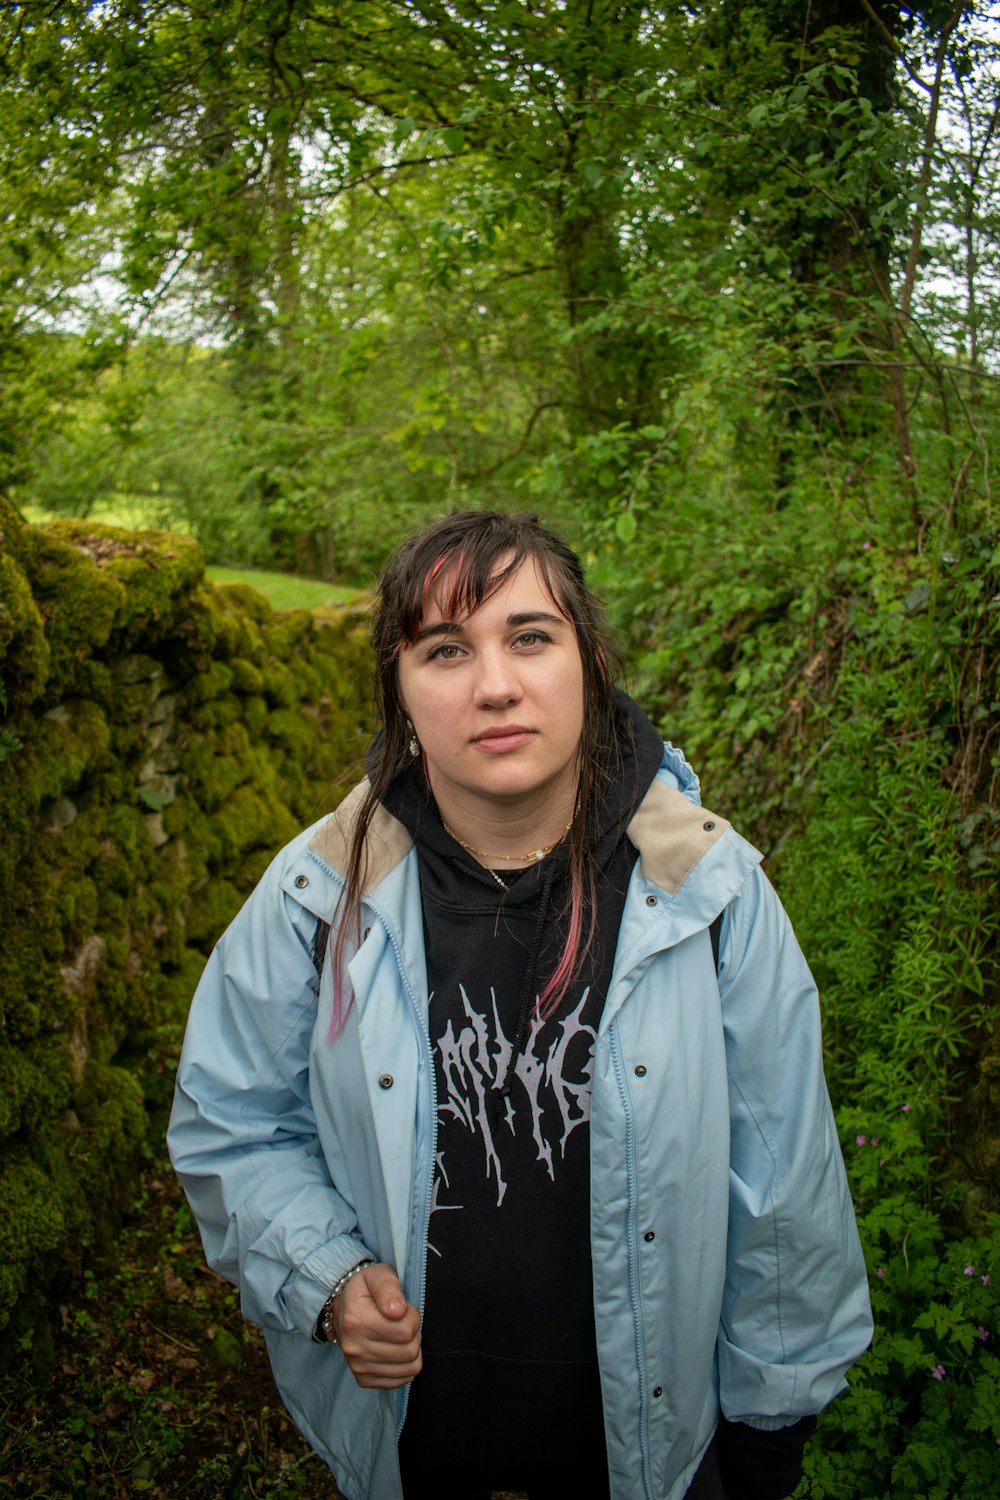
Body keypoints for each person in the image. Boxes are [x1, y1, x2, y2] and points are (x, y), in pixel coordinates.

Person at [168, 510, 873, 1500]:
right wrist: (322, 1275)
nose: (494, 684)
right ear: (399, 695)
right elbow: (231, 1121)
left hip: (652, 1454)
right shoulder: (319, 893)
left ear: (587, 659)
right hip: (410, 1447)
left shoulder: (706, 891)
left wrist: (768, 1422)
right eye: (444, 649)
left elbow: (784, 1181)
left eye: (530, 637)